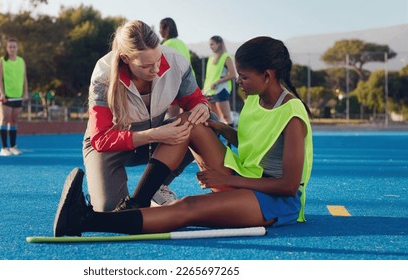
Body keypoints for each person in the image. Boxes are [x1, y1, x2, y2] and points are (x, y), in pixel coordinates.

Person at [54, 36, 314, 237]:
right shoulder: (257, 99)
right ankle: (137, 203)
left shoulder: (291, 114)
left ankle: (83, 220)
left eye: (244, 77)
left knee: (188, 207)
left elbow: (288, 186)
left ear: (267, 76)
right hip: (246, 176)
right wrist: (220, 128)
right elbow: (257, 145)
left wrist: (226, 180)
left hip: (276, 200)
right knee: (190, 120)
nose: (239, 82)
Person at [82, 20, 211, 212]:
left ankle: (155, 186)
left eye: (158, 60)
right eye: (146, 66)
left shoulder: (177, 62)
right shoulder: (103, 75)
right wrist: (155, 134)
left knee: (208, 124)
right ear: (125, 58)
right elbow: (100, 139)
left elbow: (195, 100)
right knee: (111, 210)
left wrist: (203, 106)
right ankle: (99, 192)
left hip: (156, 141)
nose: (156, 69)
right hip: (111, 145)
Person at [0, 37, 28, 156]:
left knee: (14, 120)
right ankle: (4, 148)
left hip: (18, 95)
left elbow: (24, 78)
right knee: (4, 119)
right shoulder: (2, 61)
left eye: (14, 47)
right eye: (10, 47)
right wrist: (2, 93)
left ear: (17, 48)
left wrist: (25, 92)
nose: (12, 49)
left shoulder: (21, 61)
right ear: (7, 48)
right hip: (6, 96)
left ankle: (13, 146)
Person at [159, 17, 194, 119]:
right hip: (189, 81)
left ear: (166, 29)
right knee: (187, 117)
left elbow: (161, 68)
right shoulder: (182, 43)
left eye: (160, 28)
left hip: (173, 82)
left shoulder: (166, 45)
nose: (159, 31)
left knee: (173, 118)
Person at [202, 36, 236, 127]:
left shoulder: (226, 57)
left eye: (212, 44)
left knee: (226, 117)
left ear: (219, 44)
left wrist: (218, 82)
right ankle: (217, 139)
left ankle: (231, 140)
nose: (210, 46)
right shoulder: (210, 58)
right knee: (214, 118)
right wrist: (204, 89)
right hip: (209, 91)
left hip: (221, 90)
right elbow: (209, 76)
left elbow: (233, 74)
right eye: (209, 45)